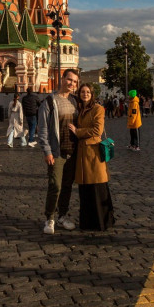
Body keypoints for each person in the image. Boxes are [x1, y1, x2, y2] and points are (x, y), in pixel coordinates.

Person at [38, 69, 79, 235]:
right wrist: (47, 151)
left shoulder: (75, 101)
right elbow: (43, 130)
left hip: (73, 152)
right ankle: (50, 218)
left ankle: (62, 216)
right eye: (69, 80)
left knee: (67, 186)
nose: (72, 84)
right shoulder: (49, 101)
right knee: (55, 185)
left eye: (75, 82)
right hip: (57, 152)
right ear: (62, 79)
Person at [68, 83, 114, 230]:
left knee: (97, 188)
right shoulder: (81, 109)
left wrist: (78, 131)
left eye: (87, 92)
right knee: (86, 190)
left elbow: (97, 130)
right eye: (82, 92)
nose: (85, 94)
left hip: (93, 154)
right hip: (83, 155)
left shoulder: (98, 109)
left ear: (92, 94)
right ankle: (88, 222)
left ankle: (101, 222)